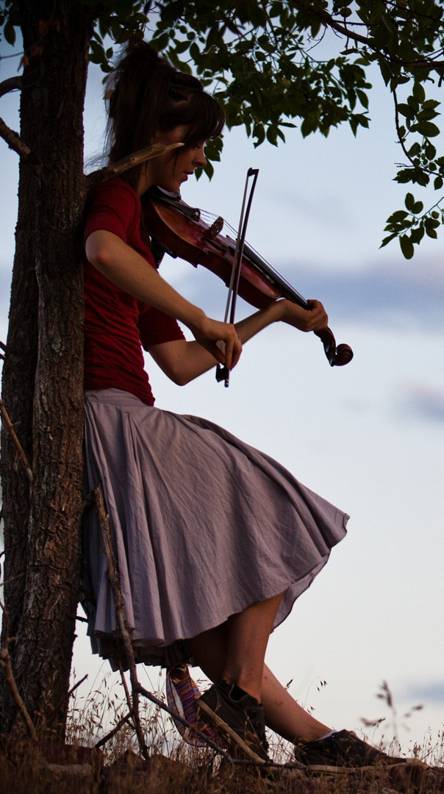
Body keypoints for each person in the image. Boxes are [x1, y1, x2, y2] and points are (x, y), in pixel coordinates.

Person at [81, 41, 392, 768]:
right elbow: (100, 250)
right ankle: (242, 697)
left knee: (217, 635)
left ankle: (316, 743)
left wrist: (267, 316)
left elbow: (186, 364)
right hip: (113, 416)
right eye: (195, 150)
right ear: (166, 138)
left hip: (131, 411)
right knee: (278, 507)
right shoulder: (115, 200)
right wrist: (206, 312)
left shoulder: (145, 249)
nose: (198, 167)